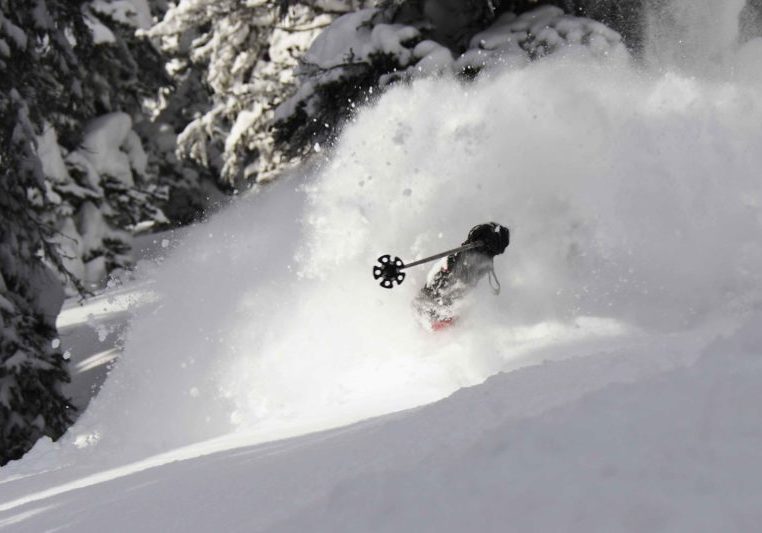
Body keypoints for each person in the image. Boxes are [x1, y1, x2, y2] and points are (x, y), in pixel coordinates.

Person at [414, 222, 510, 330]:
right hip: (442, 293)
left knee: (457, 283)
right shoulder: (457, 265)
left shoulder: (476, 265)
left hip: (446, 295)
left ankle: (439, 314)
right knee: (452, 283)